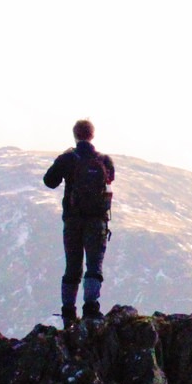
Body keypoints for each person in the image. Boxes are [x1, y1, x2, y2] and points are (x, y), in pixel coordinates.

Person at [43, 119, 115, 326]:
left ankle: (68, 312)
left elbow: (49, 181)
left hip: (73, 221)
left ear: (75, 135)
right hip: (97, 222)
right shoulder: (104, 160)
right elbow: (110, 180)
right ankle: (91, 309)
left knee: (73, 266)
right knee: (94, 265)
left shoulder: (67, 159)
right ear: (92, 135)